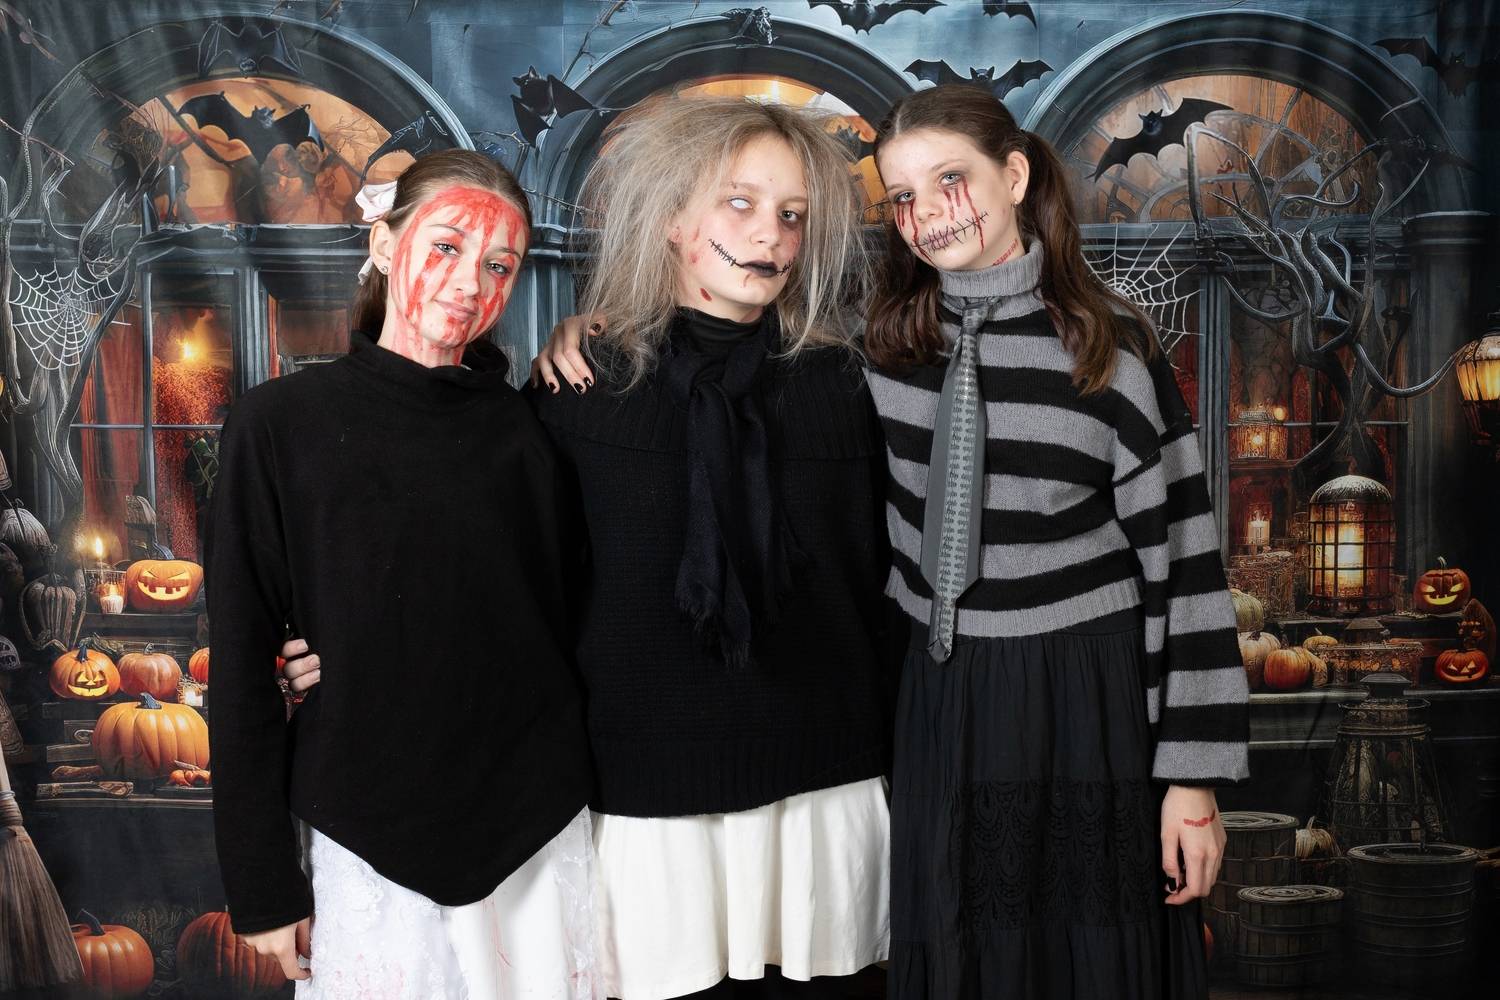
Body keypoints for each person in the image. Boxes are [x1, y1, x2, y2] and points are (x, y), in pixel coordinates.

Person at [286, 96, 895, 999]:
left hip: (821, 796)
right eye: (740, 202)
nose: (769, 232)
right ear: (673, 220)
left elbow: (891, 591)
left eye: (792, 214)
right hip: (641, 809)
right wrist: (329, 644)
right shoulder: (576, 391)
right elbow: (488, 579)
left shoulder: (845, 387)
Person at [865, 84, 1246, 998]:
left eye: (950, 179)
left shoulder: (1110, 345)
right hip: (941, 698)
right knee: (962, 953)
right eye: (904, 196)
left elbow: (1186, 562)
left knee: (1089, 962)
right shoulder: (877, 348)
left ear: (1015, 175)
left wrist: (1193, 783)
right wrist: (587, 329)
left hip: (1086, 701)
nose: (927, 214)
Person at [206, 149, 597, 1000]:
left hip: (536, 828)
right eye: (446, 246)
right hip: (366, 834)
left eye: (500, 265)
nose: (469, 282)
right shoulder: (279, 426)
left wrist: (586, 329)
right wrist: (262, 885)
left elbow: (577, 622)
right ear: (384, 245)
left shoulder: (538, 431)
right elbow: (238, 664)